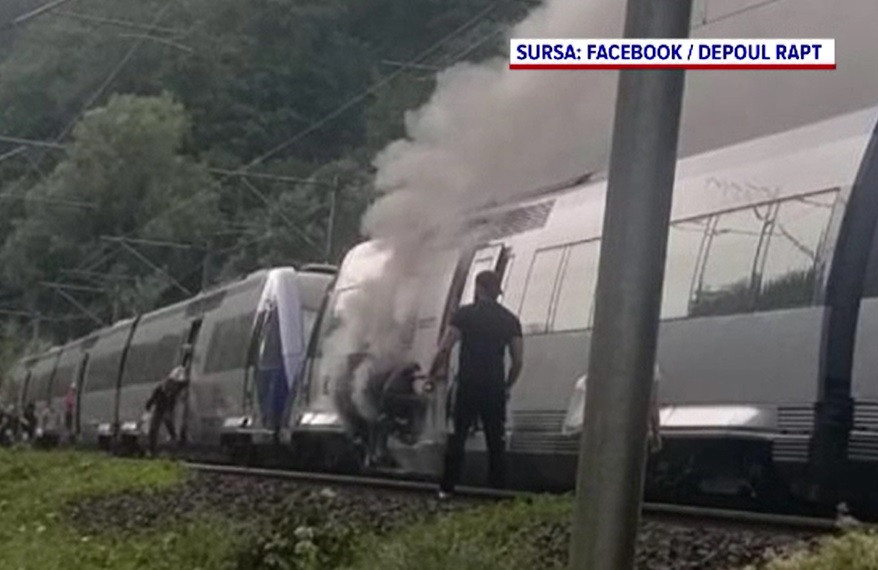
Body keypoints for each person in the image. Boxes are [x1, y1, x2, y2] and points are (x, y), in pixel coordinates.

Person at [429, 270, 524, 499]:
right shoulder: (510, 320)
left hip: (468, 385)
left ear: (478, 288)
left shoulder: (464, 316)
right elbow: (518, 360)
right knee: (495, 439)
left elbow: (445, 348)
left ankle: (447, 488)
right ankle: (497, 491)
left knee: (458, 436)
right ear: (496, 291)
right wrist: (506, 385)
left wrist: (432, 374)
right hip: (494, 387)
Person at [145, 345, 192, 456]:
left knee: (170, 422)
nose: (172, 387)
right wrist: (149, 406)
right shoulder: (160, 389)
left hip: (169, 408)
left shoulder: (176, 385)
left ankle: (175, 440)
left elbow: (184, 381)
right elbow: (151, 400)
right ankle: (152, 450)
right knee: (154, 427)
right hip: (161, 408)